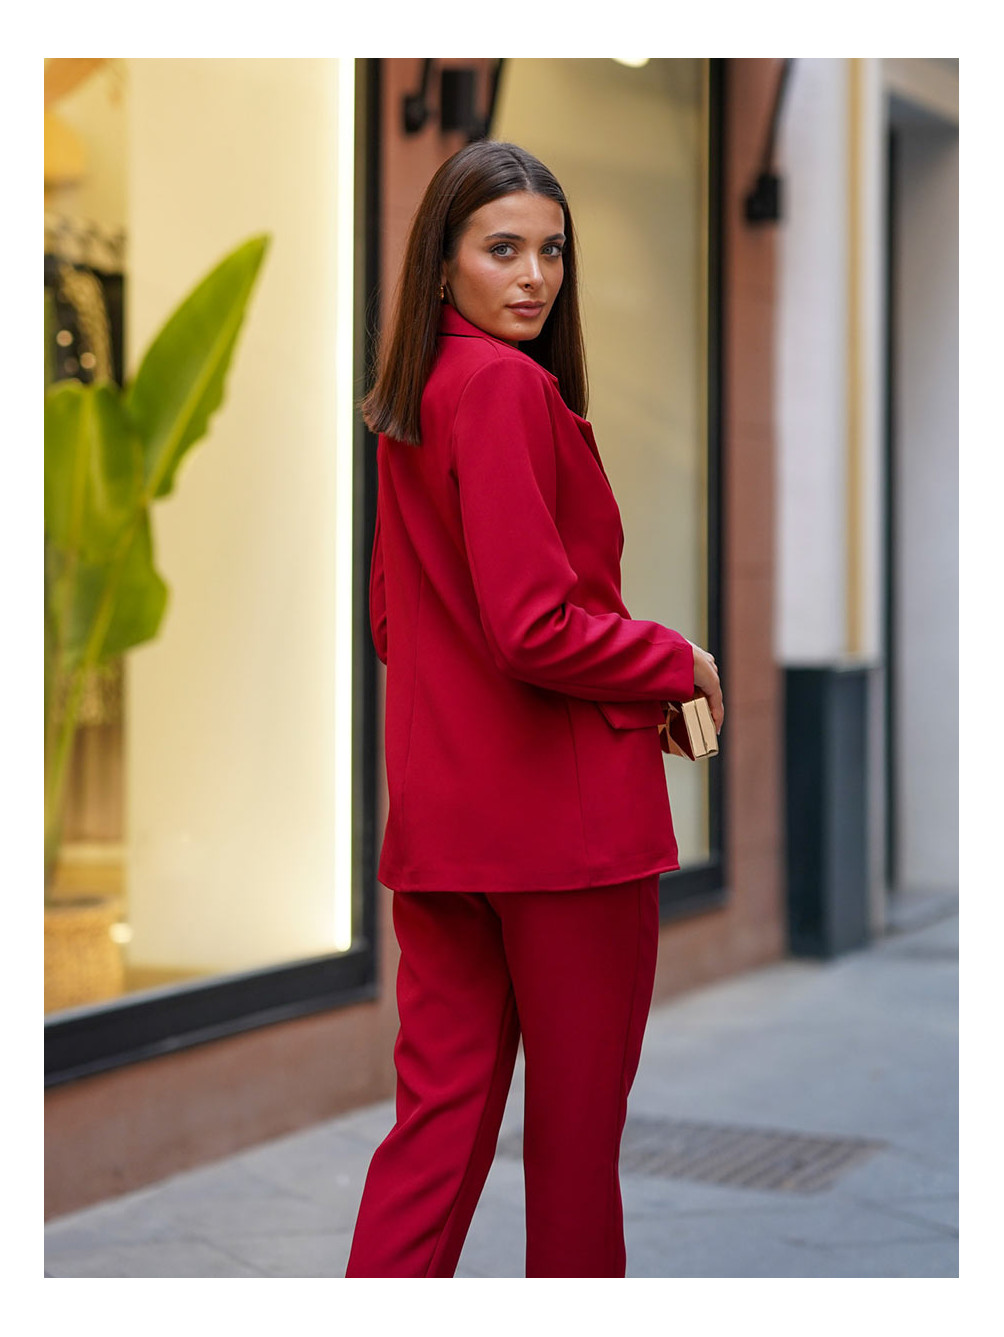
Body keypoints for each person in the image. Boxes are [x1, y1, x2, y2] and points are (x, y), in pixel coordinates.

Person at [345, 140, 724, 1279]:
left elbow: (387, 624)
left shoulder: (412, 399)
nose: (534, 275)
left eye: (550, 249)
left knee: (435, 1128)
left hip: (445, 833)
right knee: (572, 1142)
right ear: (441, 261)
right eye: (500, 248)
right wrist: (674, 659)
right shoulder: (508, 389)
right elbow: (533, 626)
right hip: (565, 844)